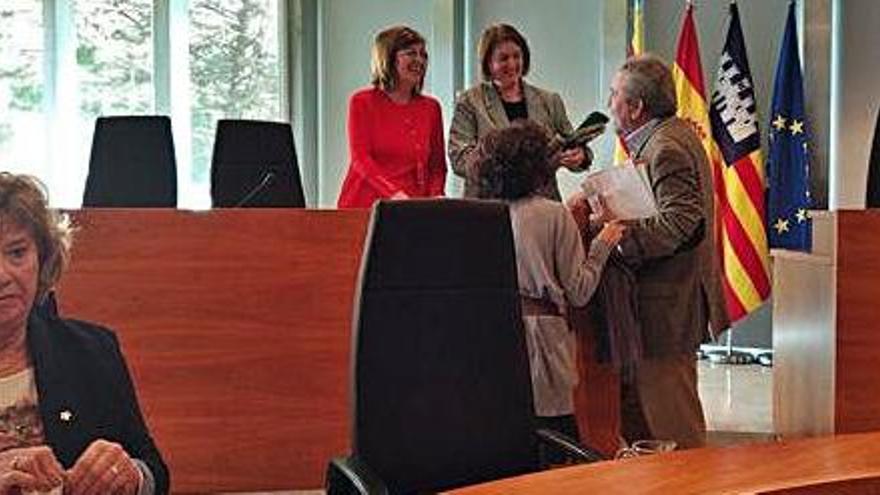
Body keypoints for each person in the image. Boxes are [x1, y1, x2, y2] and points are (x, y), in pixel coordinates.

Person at [581, 54, 729, 449]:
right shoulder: (668, 136)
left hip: (666, 306)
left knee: (673, 426)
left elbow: (681, 225)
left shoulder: (666, 148)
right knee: (652, 422)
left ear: (635, 107)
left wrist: (613, 233)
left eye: (615, 95)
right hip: (663, 304)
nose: (609, 102)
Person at [0, 173, 168, 494]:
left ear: (43, 259)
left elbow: (154, 472)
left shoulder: (92, 351)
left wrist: (130, 476)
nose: (2, 275)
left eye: (17, 253)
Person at [474, 120, 625, 453]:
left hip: (492, 334)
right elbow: (579, 291)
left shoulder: (481, 213)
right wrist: (602, 244)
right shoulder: (554, 215)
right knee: (555, 437)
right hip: (542, 339)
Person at [450, 23, 592, 200]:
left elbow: (572, 142)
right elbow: (459, 159)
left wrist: (580, 156)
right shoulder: (470, 102)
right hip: (490, 206)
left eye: (517, 56)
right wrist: (509, 168)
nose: (512, 63)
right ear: (488, 63)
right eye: (503, 58)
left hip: (542, 205)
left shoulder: (549, 100)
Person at [337, 25, 447, 208]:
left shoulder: (431, 108)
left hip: (413, 210)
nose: (419, 60)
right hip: (365, 206)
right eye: (411, 53)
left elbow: (437, 165)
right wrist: (394, 194)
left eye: (423, 54)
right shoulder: (362, 102)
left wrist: (436, 197)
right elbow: (361, 159)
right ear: (387, 58)